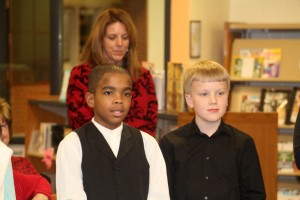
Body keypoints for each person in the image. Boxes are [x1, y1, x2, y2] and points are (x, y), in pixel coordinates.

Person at [56, 64, 169, 200]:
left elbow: (159, 196)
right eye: (109, 92)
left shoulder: (148, 144)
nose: (119, 100)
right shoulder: (72, 145)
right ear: (91, 99)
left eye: (126, 94)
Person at [159, 60, 266, 199]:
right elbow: (163, 193)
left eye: (220, 93)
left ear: (228, 97)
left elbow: (255, 195)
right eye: (204, 94)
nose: (213, 100)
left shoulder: (243, 143)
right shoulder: (170, 143)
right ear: (189, 99)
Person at [66, 7, 158, 137]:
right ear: (100, 41)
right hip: (95, 150)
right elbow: (79, 124)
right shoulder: (81, 75)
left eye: (125, 37)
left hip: (135, 150)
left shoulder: (143, 76)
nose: (120, 43)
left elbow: (150, 125)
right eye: (112, 37)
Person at [0, 97, 52, 200]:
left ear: (10, 131)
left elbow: (41, 183)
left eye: (3, 126)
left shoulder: (21, 165)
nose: (1, 133)